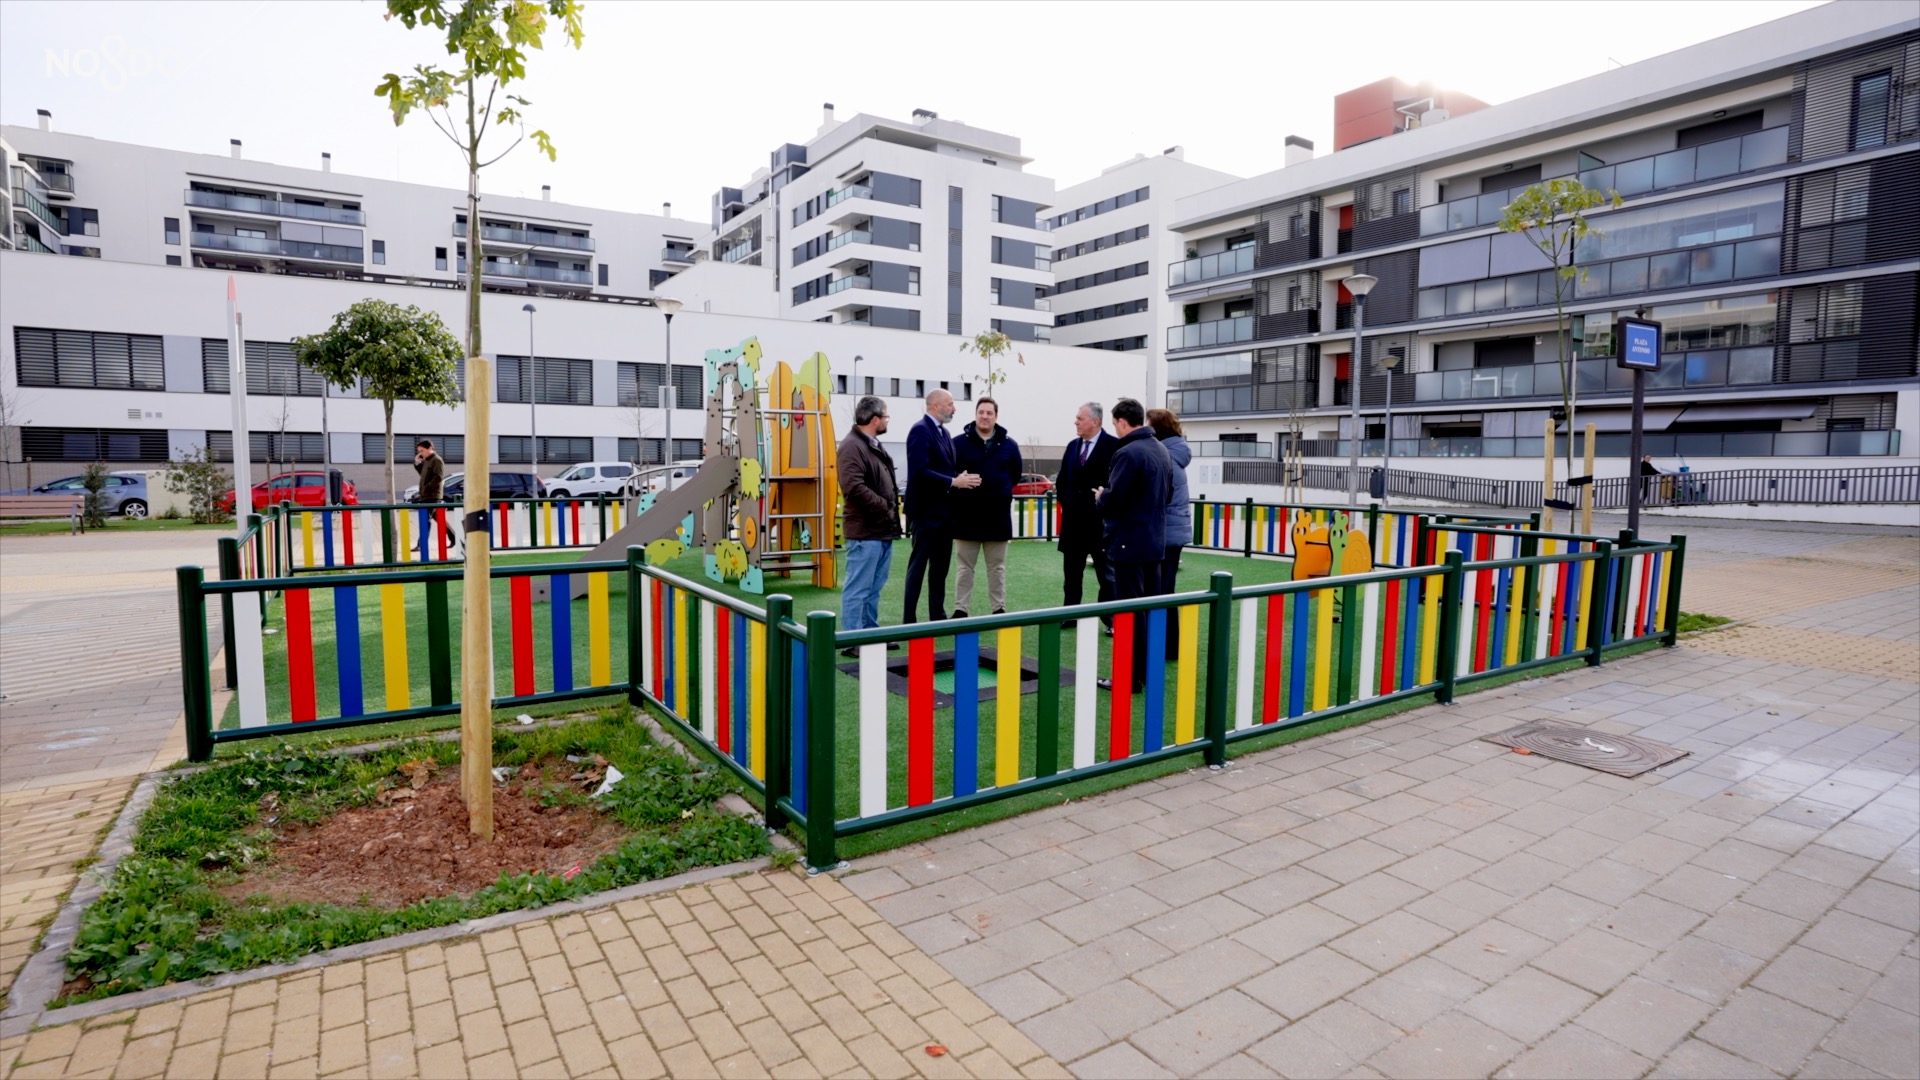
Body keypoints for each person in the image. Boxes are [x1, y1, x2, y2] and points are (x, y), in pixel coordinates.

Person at [1095, 398, 1172, 691]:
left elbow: (1115, 501)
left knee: (1129, 612)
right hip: (1154, 542)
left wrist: (1101, 496)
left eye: (1115, 424)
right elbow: (1168, 494)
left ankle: (1129, 677)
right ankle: (1147, 673)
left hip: (1129, 542)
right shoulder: (1161, 449)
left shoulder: (1127, 452)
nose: (1115, 429)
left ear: (1122, 422)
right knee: (1149, 610)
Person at [902, 388, 979, 624]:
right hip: (925, 514)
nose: (954, 408)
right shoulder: (920, 430)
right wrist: (953, 481)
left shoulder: (944, 433)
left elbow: (941, 470)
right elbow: (919, 472)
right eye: (951, 403)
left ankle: (937, 615)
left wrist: (959, 478)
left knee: (940, 568)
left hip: (944, 514)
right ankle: (909, 619)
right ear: (936, 405)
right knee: (918, 567)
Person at [837, 396, 900, 650]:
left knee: (873, 588)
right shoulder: (853, 446)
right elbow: (853, 487)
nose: (887, 421)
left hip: (879, 530)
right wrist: (885, 507)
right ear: (875, 420)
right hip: (866, 532)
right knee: (858, 589)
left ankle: (869, 635)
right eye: (886, 417)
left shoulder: (869, 444)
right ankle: (853, 640)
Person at [949, 398, 1021, 619]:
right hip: (966, 517)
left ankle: (998, 608)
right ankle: (961, 609)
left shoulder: (1009, 445)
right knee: (964, 568)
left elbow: (1015, 475)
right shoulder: (958, 443)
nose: (985, 416)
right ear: (975, 414)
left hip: (997, 518)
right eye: (981, 412)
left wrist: (999, 491)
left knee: (997, 567)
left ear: (996, 416)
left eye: (989, 413)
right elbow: (950, 473)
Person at [1056, 401, 1117, 629]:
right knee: (1071, 574)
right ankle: (1070, 613)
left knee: (1106, 576)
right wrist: (1067, 501)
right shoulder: (1073, 446)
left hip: (1100, 524)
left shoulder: (1114, 446)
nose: (1076, 422)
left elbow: (1115, 483)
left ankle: (1110, 618)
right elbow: (1062, 481)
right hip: (1073, 523)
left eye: (1080, 418)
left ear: (1095, 421)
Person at [1146, 409, 1191, 659]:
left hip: (1165, 530)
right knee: (1166, 588)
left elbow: (1162, 494)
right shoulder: (1175, 452)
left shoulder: (1166, 457)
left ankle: (1166, 645)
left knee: (1161, 589)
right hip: (1174, 529)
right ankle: (1169, 645)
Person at [411, 438, 445, 558]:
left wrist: (426, 488)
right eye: (419, 451)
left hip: (432, 495)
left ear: (430, 448)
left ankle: (421, 544)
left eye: (422, 450)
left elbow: (438, 477)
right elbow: (423, 475)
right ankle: (454, 537)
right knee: (437, 519)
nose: (421, 453)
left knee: (426, 520)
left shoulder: (436, 460)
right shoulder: (427, 461)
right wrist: (417, 462)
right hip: (426, 494)